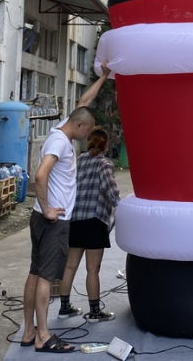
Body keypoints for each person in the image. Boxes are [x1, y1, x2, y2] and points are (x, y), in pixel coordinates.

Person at [20, 61, 111, 354]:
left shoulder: (61, 128)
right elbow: (40, 175)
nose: (87, 137)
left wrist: (105, 76)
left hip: (41, 218)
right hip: (53, 220)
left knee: (35, 273)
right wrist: (48, 208)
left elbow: (84, 103)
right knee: (47, 276)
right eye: (87, 131)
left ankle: (29, 331)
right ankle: (44, 336)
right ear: (80, 126)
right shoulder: (59, 143)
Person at [57, 127, 121, 321]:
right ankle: (94, 312)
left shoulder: (80, 161)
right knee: (93, 269)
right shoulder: (104, 163)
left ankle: (65, 308)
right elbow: (111, 191)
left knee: (70, 266)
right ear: (105, 144)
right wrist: (123, 208)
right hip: (95, 220)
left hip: (76, 219)